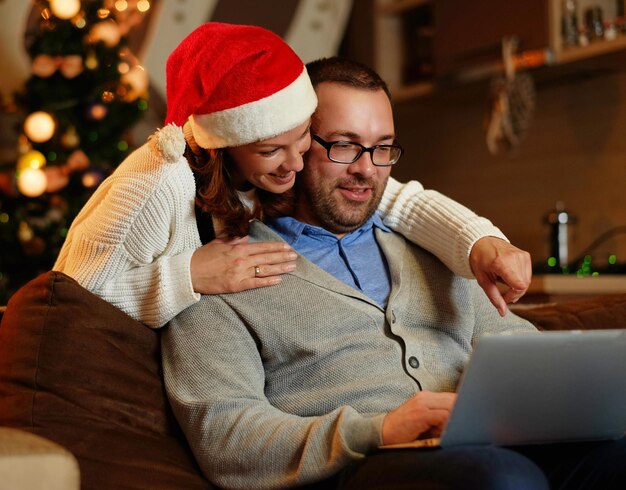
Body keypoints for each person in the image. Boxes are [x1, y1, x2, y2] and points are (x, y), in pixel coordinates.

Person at [162, 57, 626, 489]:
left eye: (382, 148)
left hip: (481, 445)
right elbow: (225, 437)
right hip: (362, 467)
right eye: (345, 146)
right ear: (297, 143)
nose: (367, 170)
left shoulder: (434, 252)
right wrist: (378, 429)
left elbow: (515, 347)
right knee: (498, 477)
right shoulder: (220, 274)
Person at [54, 22, 529, 328]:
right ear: (225, 142)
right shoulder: (157, 185)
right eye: (270, 149)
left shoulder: (276, 169)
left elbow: (395, 199)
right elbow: (65, 305)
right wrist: (188, 275)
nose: (296, 163)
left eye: (303, 138)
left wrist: (481, 242)